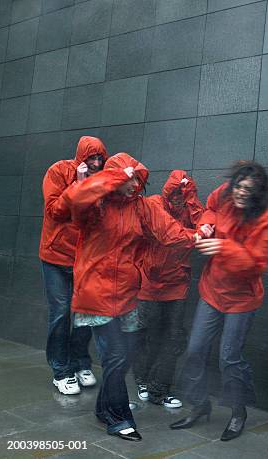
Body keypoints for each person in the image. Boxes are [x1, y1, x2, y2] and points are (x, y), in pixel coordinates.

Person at [59, 153, 198, 441]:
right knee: (116, 354)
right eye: (129, 178)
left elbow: (168, 231)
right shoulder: (95, 205)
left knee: (124, 356)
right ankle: (118, 418)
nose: (134, 184)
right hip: (96, 294)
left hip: (126, 293)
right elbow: (75, 199)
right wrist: (116, 176)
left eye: (138, 179)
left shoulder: (141, 207)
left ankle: (102, 408)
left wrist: (196, 238)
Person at [170, 161, 268, 442]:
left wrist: (225, 246)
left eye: (248, 190)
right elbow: (211, 208)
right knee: (195, 350)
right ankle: (199, 404)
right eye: (239, 186)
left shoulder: (264, 220)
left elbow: (258, 263)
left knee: (229, 357)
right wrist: (206, 226)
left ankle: (238, 411)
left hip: (242, 300)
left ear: (258, 194)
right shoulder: (223, 195)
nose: (241, 193)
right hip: (212, 290)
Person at [40, 136, 108, 395]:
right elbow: (55, 211)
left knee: (85, 315)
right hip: (55, 256)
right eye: (91, 158)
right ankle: (61, 370)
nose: (95, 163)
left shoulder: (102, 180)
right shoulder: (58, 171)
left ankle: (80, 363)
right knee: (60, 313)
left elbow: (99, 219)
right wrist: (79, 186)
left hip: (84, 258)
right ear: (81, 157)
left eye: (99, 158)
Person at [133, 170, 204, 409]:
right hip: (150, 282)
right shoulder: (153, 204)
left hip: (176, 283)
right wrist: (197, 235)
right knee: (147, 333)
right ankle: (142, 380)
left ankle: (159, 388)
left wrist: (192, 197)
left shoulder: (188, 209)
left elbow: (204, 223)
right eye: (175, 191)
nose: (178, 197)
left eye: (183, 193)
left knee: (173, 337)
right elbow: (168, 235)